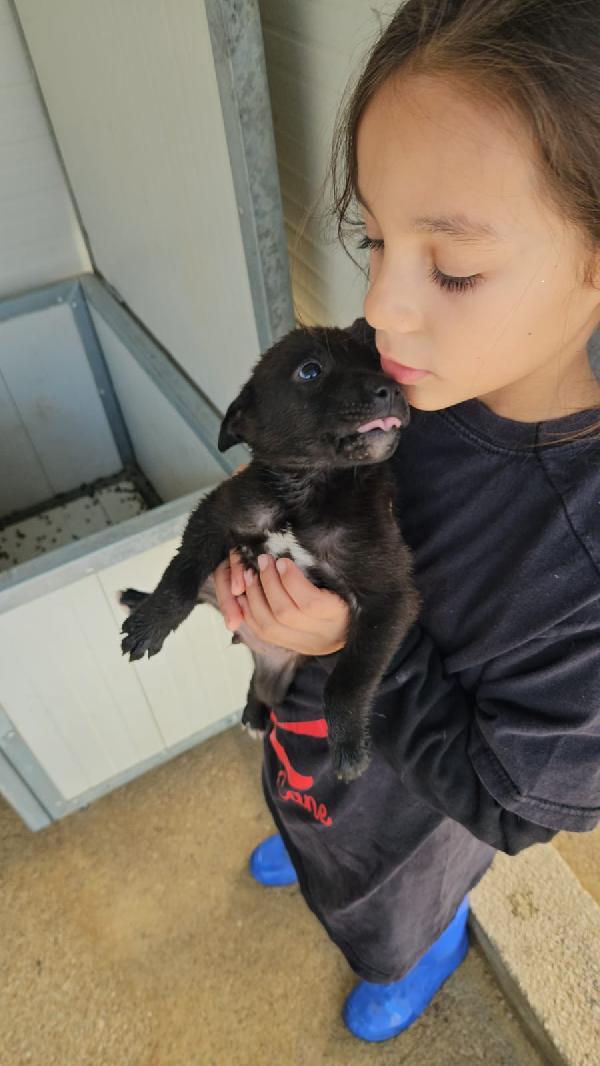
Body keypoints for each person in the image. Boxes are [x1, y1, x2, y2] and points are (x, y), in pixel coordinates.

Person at [212, 0, 600, 1044]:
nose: (379, 307)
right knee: (304, 820)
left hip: (413, 815)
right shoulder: (404, 372)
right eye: (376, 237)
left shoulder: (579, 567)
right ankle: (305, 842)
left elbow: (513, 803)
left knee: (379, 902)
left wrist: (348, 650)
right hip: (307, 731)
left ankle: (418, 948)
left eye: (454, 267)